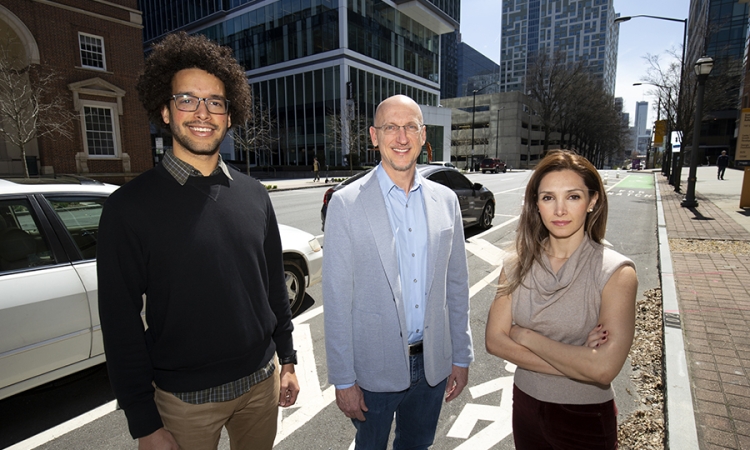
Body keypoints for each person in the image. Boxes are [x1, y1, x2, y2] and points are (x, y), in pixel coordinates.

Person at [97, 32, 299, 450]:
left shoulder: (255, 194)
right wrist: (144, 424)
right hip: (182, 404)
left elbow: (274, 288)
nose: (203, 112)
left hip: (261, 387)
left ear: (229, 114)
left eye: (216, 102)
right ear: (166, 112)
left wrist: (290, 360)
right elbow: (120, 325)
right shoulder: (127, 208)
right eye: (187, 99)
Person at [323, 94, 473, 450]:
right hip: (373, 370)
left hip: (433, 364)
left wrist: (461, 355)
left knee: (417, 446)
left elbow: (457, 285)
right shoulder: (346, 204)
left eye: (410, 127)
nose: (401, 137)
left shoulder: (446, 201)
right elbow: (337, 299)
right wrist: (343, 380)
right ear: (375, 136)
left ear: (423, 136)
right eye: (391, 127)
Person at [485, 150, 638, 449]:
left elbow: (605, 369)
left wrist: (524, 335)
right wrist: (579, 361)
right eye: (548, 198)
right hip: (526, 406)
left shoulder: (616, 272)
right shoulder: (516, 265)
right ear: (536, 204)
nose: (559, 210)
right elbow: (494, 341)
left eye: (573, 197)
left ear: (592, 201)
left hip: (584, 417)